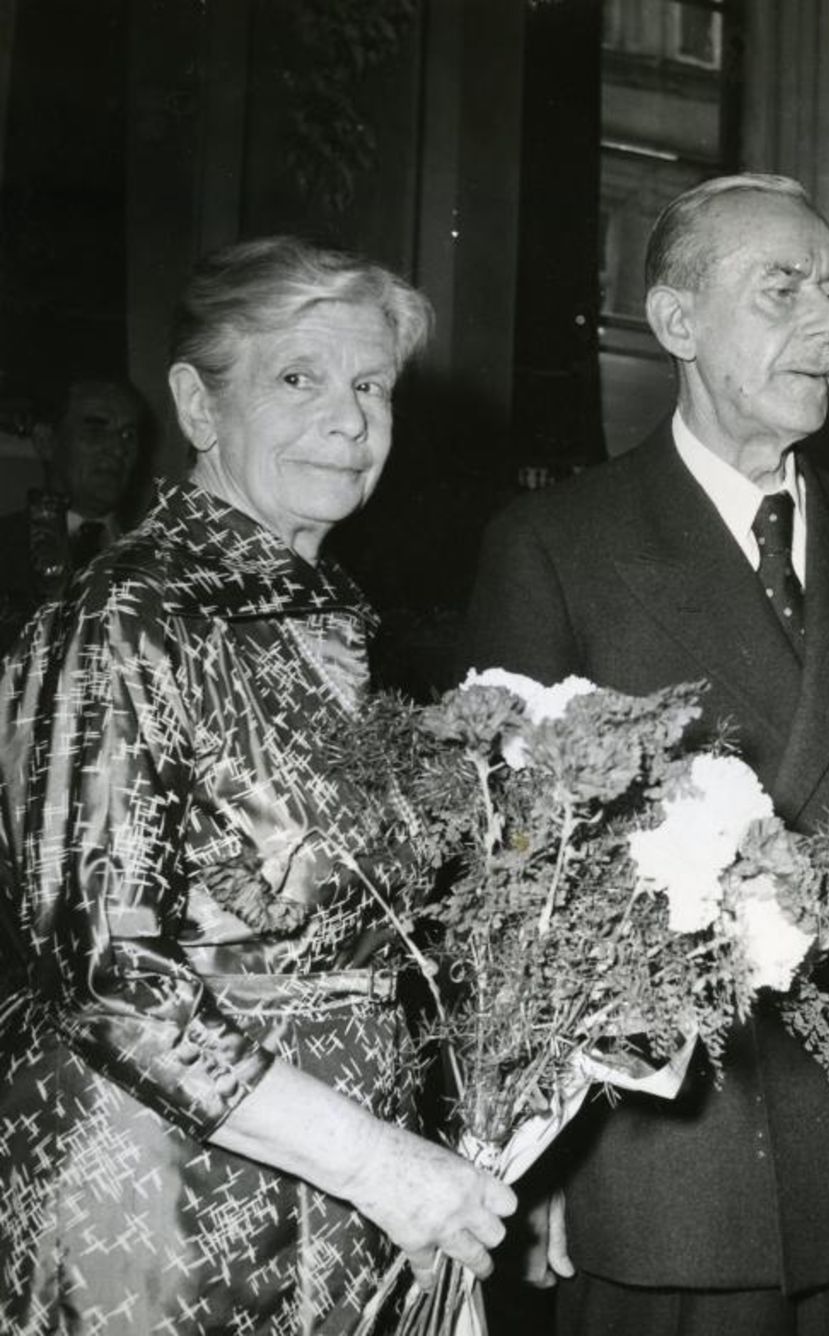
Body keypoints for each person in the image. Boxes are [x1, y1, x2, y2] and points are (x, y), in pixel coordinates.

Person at [460, 174, 829, 1335]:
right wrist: (539, 1155)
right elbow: (509, 894)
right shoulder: (553, 547)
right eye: (783, 288)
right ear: (678, 321)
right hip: (666, 1169)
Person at [0, 236, 515, 1333]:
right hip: (164, 1221)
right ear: (197, 404)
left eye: (371, 385)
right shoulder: (125, 617)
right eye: (300, 377)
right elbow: (105, 973)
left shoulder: (324, 616)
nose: (351, 419)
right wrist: (381, 1165)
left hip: (348, 1213)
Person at [0, 376, 147, 655]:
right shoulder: (6, 549)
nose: (117, 450)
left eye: (128, 435)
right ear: (46, 442)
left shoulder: (156, 560)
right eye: (95, 431)